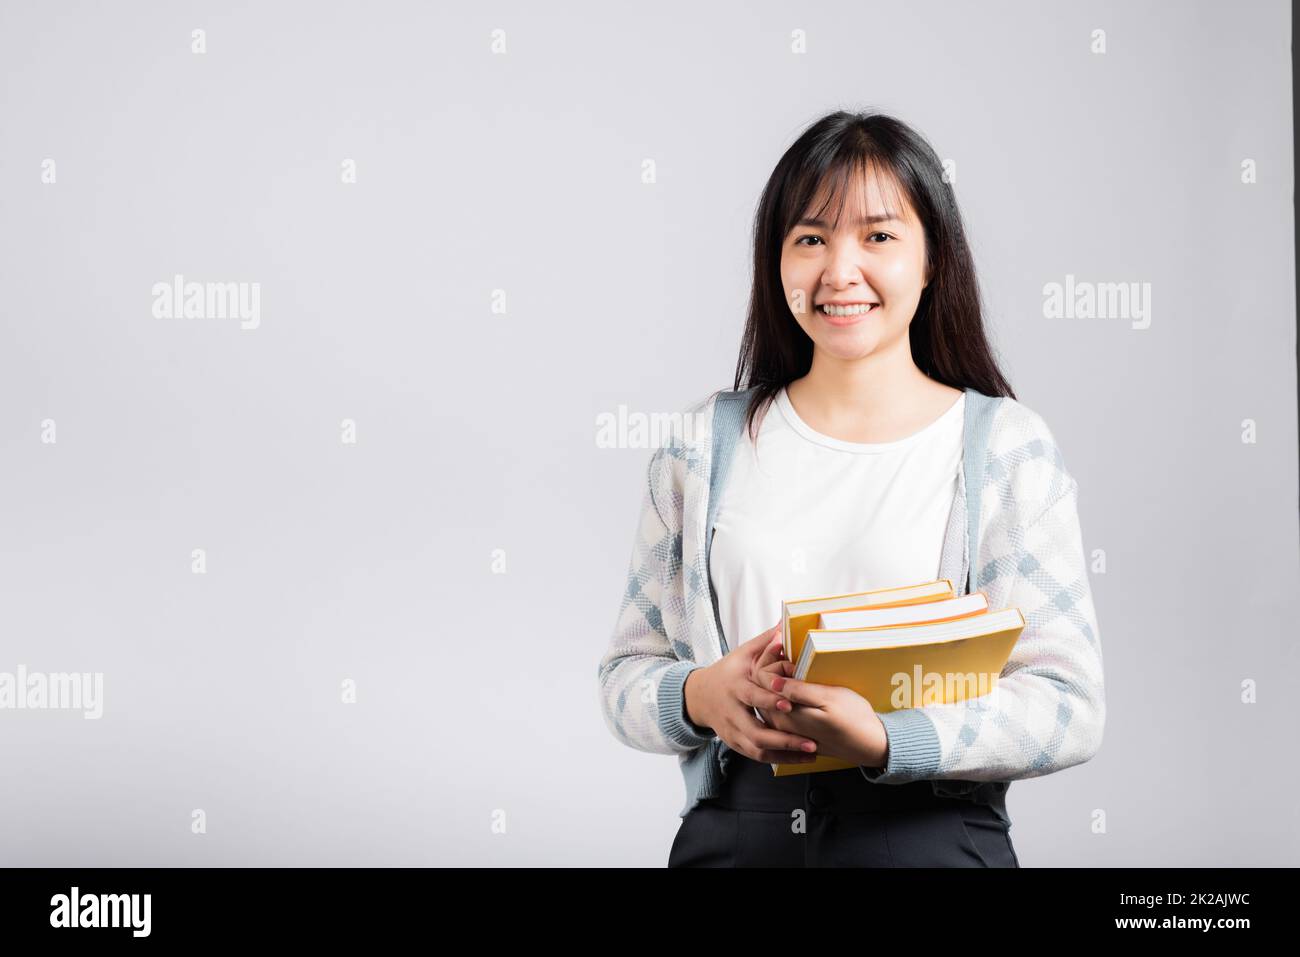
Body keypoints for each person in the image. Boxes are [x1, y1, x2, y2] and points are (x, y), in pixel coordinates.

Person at [596, 110, 1106, 867]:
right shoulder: (701, 445)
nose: (839, 270)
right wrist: (700, 695)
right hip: (736, 836)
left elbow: (1069, 705)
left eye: (878, 236)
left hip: (927, 837)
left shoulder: (1007, 449)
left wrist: (891, 737)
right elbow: (624, 679)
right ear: (777, 262)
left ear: (933, 259)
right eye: (810, 238)